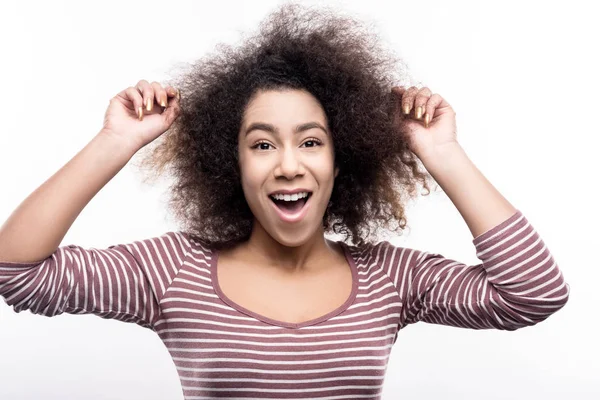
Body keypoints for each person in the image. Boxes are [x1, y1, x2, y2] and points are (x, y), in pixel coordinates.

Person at [0, 3, 569, 399]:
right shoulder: (175, 271)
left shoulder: (389, 277)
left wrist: (439, 151)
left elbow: (534, 295)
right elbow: (16, 271)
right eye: (263, 144)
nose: (289, 164)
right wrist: (115, 141)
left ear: (340, 162)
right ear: (234, 165)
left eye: (312, 142)